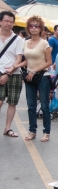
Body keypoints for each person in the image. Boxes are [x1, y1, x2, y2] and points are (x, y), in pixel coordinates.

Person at [16, 16, 52, 142]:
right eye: (32, 26)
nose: (34, 28)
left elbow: (49, 62)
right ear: (28, 28)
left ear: (41, 28)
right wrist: (16, 65)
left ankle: (46, 132)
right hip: (29, 77)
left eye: (37, 26)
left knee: (44, 106)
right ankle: (32, 131)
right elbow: (27, 61)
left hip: (42, 76)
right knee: (31, 106)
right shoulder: (25, 42)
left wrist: (34, 70)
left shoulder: (44, 43)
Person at [0, 10, 25, 138]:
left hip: (14, 73)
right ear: (0, 22)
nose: (9, 24)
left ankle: (7, 128)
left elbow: (18, 59)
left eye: (11, 22)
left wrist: (9, 73)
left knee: (12, 102)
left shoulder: (18, 39)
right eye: (6, 21)